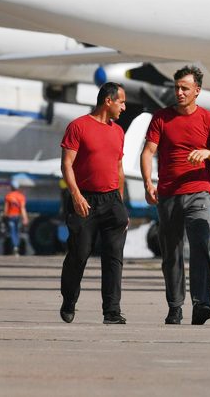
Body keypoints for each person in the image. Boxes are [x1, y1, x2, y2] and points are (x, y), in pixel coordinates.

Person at [140, 65, 210, 325]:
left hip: (198, 192)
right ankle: (175, 306)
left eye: (184, 88)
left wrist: (207, 153)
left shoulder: (209, 120)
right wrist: (147, 183)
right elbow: (148, 152)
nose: (178, 92)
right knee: (172, 253)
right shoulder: (161, 118)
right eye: (176, 87)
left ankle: (201, 304)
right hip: (168, 194)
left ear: (197, 91)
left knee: (200, 246)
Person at [59, 82, 129, 325]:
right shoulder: (78, 126)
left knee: (113, 257)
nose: (124, 106)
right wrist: (76, 196)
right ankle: (69, 300)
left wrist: (121, 204)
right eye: (121, 101)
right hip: (84, 199)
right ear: (108, 101)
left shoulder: (118, 131)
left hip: (112, 200)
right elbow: (67, 164)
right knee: (79, 254)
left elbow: (119, 168)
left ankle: (111, 311)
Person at [2, 182, 28, 255]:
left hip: (10, 217)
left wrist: (4, 216)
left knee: (12, 232)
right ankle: (17, 246)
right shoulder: (21, 196)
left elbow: (6, 208)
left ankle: (14, 246)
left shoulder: (8, 196)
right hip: (18, 216)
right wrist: (25, 218)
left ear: (11, 187)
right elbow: (22, 208)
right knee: (17, 232)